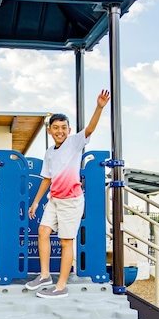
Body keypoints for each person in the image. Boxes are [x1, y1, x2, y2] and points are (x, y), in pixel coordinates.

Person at [25, 89, 110, 299]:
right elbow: (47, 178)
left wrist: (99, 107)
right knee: (43, 231)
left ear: (69, 129)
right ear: (50, 131)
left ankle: (61, 286)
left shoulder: (74, 143)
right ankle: (45, 276)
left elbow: (89, 129)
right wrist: (36, 202)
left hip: (71, 202)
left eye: (63, 127)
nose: (60, 131)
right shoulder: (49, 153)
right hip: (54, 200)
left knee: (66, 242)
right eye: (56, 128)